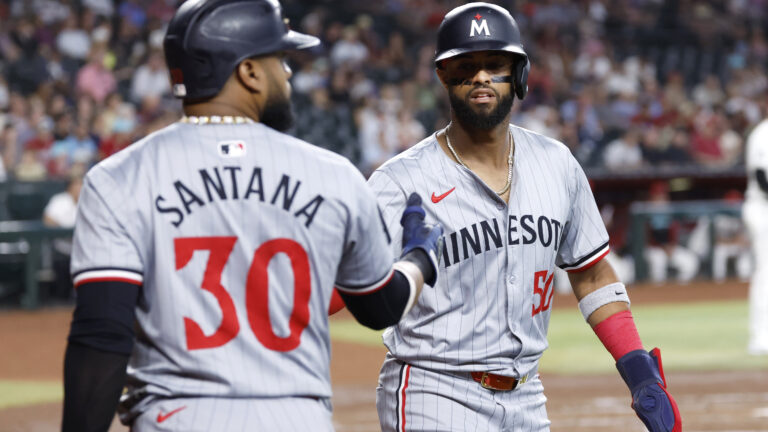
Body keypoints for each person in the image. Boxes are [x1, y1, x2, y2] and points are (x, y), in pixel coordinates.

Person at [60, 1, 443, 431]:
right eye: (280, 59)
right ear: (249, 73)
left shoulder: (118, 178)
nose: (289, 73)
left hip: (177, 419)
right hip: (297, 419)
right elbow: (380, 306)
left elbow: (101, 336)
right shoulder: (332, 174)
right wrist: (419, 258)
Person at [368, 4, 681, 432]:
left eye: (494, 64)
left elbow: (591, 274)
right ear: (443, 75)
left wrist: (640, 373)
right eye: (466, 66)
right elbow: (350, 281)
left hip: (527, 397)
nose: (481, 77)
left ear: (519, 74)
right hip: (433, 390)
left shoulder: (557, 164)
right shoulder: (399, 181)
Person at [744, 118, 768, 355]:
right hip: (762, 209)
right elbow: (762, 177)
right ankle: (760, 338)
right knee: (766, 270)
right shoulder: (763, 133)